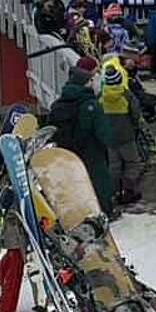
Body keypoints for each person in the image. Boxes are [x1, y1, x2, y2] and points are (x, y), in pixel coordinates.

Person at [47, 57, 117, 217]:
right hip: (92, 152)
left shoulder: (60, 104)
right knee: (98, 181)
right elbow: (104, 134)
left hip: (68, 152)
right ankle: (104, 212)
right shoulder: (90, 104)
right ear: (86, 83)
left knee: (74, 183)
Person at [99, 56, 144, 212]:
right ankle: (129, 190)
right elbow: (135, 113)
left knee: (114, 165)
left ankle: (114, 192)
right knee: (132, 163)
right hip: (126, 135)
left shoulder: (101, 98)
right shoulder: (126, 95)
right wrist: (135, 125)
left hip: (109, 137)